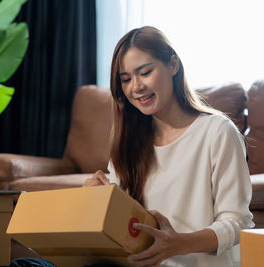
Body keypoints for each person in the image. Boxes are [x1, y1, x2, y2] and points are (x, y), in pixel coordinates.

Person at [84, 26, 254, 267]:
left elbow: (238, 222)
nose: (136, 87)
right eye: (126, 79)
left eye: (145, 72)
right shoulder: (128, 140)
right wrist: (95, 199)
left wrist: (178, 243)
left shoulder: (218, 131)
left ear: (173, 65)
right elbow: (119, 222)